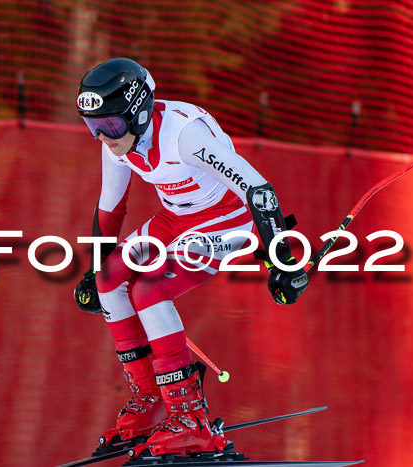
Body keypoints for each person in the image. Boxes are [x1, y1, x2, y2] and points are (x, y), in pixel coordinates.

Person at [73, 58, 309, 458]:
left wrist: (280, 261)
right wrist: (94, 270)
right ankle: (151, 398)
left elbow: (258, 189)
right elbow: (110, 208)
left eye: (110, 126)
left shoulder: (184, 136)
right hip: (176, 217)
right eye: (92, 126)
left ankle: (190, 419)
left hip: (226, 220)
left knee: (149, 289)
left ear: (139, 113)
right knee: (110, 279)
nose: (102, 136)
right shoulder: (119, 143)